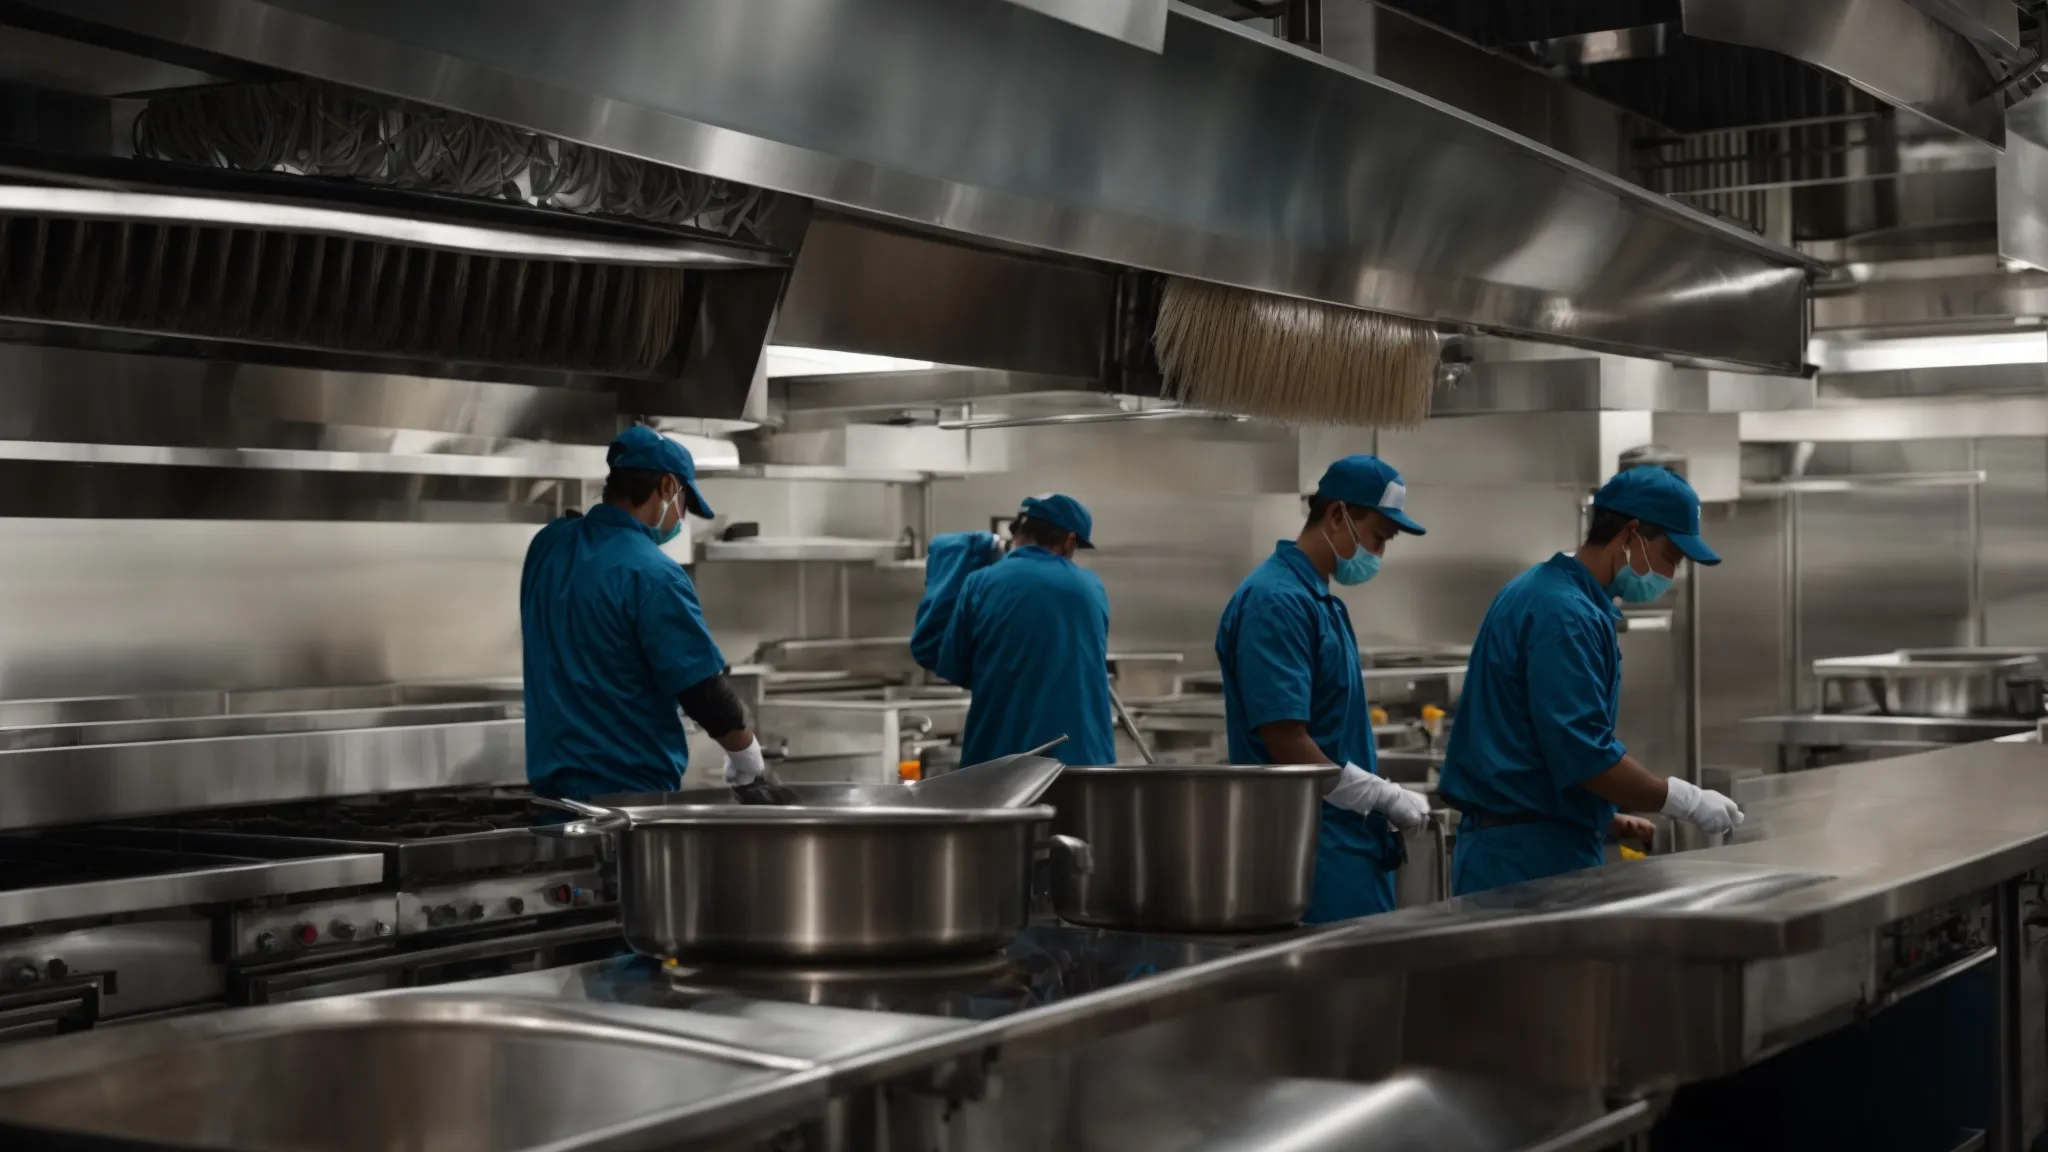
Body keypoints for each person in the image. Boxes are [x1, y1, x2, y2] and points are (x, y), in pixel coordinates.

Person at [1439, 465, 1744, 897]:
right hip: (1528, 862)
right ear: (1631, 535)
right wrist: (1685, 801)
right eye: (1670, 557)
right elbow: (1581, 751)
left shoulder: (1546, 591)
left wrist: (1599, 816)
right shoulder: (1565, 613)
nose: (1671, 574)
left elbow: (1537, 747)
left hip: (1527, 844)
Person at [1216, 455, 1432, 923]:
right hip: (1309, 857)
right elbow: (1285, 739)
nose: (1379, 553)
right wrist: (1378, 796)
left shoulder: (1317, 601)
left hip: (1343, 847)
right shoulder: (1276, 601)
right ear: (1337, 516)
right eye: (1378, 537)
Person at [521, 426, 764, 802]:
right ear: (667, 487)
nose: (681, 519)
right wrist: (746, 755)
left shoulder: (548, 546)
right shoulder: (654, 575)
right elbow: (702, 692)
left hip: (554, 796)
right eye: (684, 504)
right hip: (630, 801)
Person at [913, 494, 1115, 768]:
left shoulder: (981, 582)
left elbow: (952, 665)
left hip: (1001, 762)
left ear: (1017, 530)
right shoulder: (1091, 587)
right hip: (1083, 758)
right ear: (1069, 540)